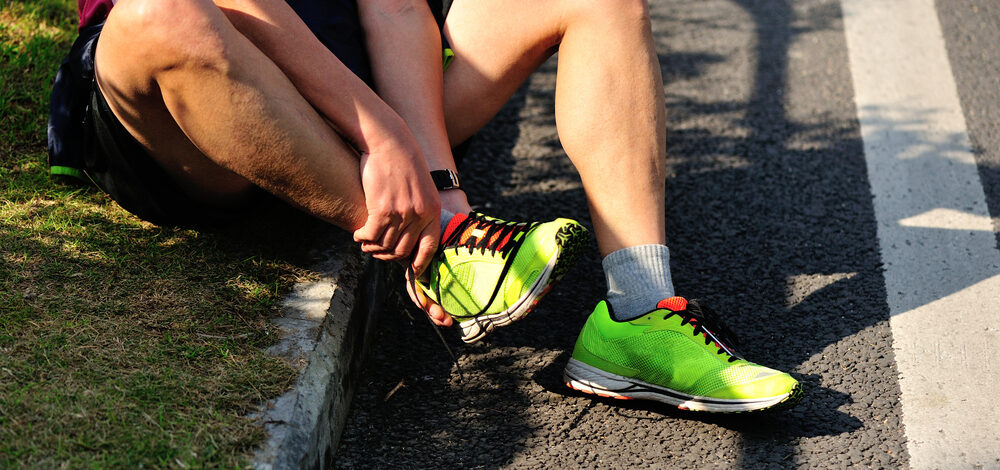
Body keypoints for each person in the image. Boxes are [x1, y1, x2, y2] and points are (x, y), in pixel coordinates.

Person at [50, 0, 800, 413]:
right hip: (195, 107)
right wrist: (379, 133)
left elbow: (398, 8)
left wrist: (435, 174)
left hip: (352, 89)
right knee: (161, 11)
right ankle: (444, 248)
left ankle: (639, 316)